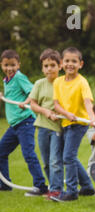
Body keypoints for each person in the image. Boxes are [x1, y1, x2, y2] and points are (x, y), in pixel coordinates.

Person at [50, 47, 95, 202]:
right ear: (62, 63)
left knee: (68, 156)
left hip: (79, 124)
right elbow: (56, 105)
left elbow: (88, 102)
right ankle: (87, 187)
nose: (70, 64)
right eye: (67, 61)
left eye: (74, 61)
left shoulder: (82, 82)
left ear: (80, 64)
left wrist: (93, 119)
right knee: (70, 156)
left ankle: (71, 192)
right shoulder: (58, 82)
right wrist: (66, 114)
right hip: (66, 122)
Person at [0, 49, 48, 196]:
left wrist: (26, 102)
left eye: (13, 65)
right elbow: (12, 95)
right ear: (1, 65)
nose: (10, 68)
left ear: (18, 65)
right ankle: (5, 183)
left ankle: (40, 186)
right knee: (1, 152)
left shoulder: (19, 77)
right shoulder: (6, 80)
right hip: (14, 125)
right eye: (6, 65)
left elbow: (33, 91)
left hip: (25, 121)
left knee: (28, 153)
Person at [25, 49, 64, 200]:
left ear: (59, 66)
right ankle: (52, 187)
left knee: (55, 161)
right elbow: (33, 104)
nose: (49, 69)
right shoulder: (39, 84)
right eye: (46, 66)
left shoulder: (63, 83)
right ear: (42, 68)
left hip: (57, 128)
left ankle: (56, 190)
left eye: (52, 65)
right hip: (42, 127)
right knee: (47, 162)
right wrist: (45, 111)